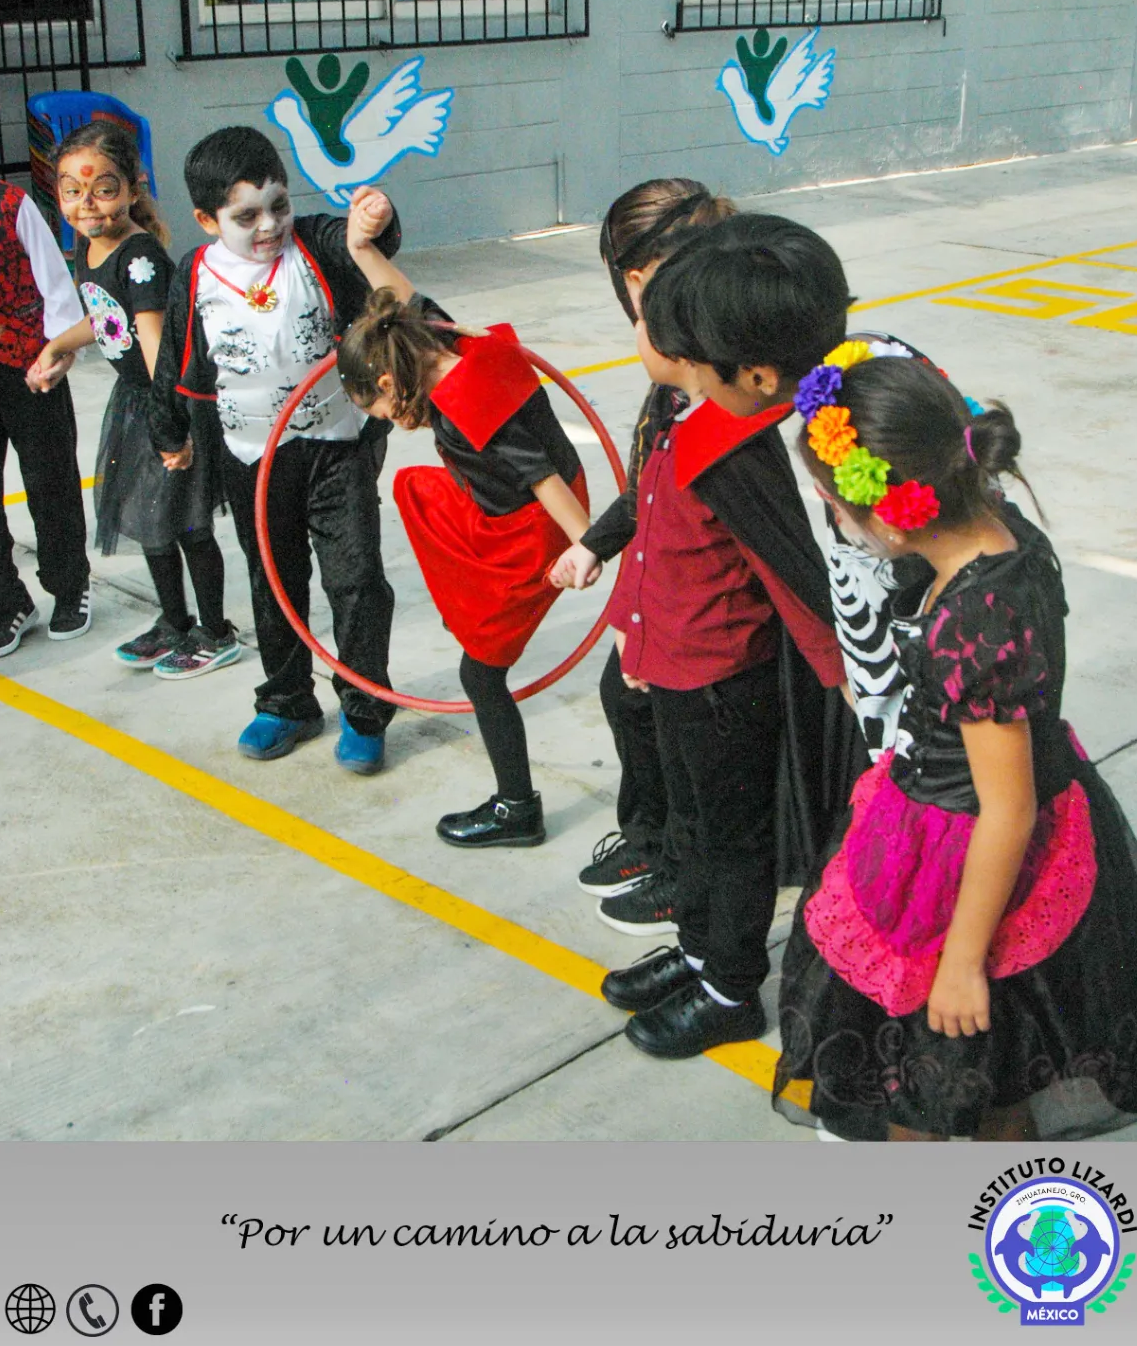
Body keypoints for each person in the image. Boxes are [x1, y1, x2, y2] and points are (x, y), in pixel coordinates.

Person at [772, 349, 1137, 1140]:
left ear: (883, 514)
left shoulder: (977, 619)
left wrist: (961, 958)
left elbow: (1007, 807)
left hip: (968, 863)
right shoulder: (1003, 527)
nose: (834, 519)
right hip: (985, 811)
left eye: (831, 504)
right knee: (999, 1065)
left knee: (934, 1075)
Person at [596, 215, 854, 1059]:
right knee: (692, 827)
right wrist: (633, 644)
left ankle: (731, 987)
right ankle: (700, 948)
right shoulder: (693, 410)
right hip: (671, 671)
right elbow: (654, 536)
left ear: (750, 367)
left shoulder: (737, 438)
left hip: (723, 683)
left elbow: (793, 577)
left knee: (731, 836)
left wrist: (844, 680)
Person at [149, 128, 407, 771]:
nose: (268, 225)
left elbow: (364, 246)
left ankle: (365, 707)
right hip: (252, 457)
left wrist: (377, 219)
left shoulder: (313, 244)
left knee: (356, 580)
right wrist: (170, 431)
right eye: (246, 216)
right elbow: (176, 361)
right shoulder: (197, 275)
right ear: (208, 220)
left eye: (278, 206)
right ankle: (288, 701)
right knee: (274, 582)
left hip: (336, 445)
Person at [337, 283, 590, 848]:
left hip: (535, 528)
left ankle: (517, 807)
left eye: (377, 410)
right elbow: (402, 296)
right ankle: (471, 611)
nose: (386, 420)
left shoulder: (464, 413)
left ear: (386, 383)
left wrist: (585, 547)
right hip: (531, 499)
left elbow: (540, 475)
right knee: (417, 488)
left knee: (479, 675)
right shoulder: (446, 343)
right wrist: (361, 243)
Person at [551, 178, 736, 937]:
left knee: (691, 755)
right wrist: (596, 547)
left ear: (635, 278)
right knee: (628, 701)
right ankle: (652, 841)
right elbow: (650, 493)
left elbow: (718, 534)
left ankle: (681, 877)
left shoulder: (721, 381)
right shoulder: (677, 376)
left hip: (706, 626)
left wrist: (651, 623)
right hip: (668, 604)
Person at [26, 122, 236, 679]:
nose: (86, 204)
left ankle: (215, 631)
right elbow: (104, 320)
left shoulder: (139, 257)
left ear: (133, 189)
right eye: (72, 190)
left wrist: (173, 430)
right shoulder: (90, 245)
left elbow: (154, 348)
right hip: (137, 403)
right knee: (150, 519)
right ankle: (174, 621)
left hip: (167, 403)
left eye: (103, 189)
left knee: (189, 524)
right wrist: (56, 347)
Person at [0, 89, 91, 659]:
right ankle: (3, 599)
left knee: (49, 479)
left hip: (27, 365)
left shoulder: (11, 205)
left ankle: (69, 586)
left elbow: (54, 285)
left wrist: (58, 353)